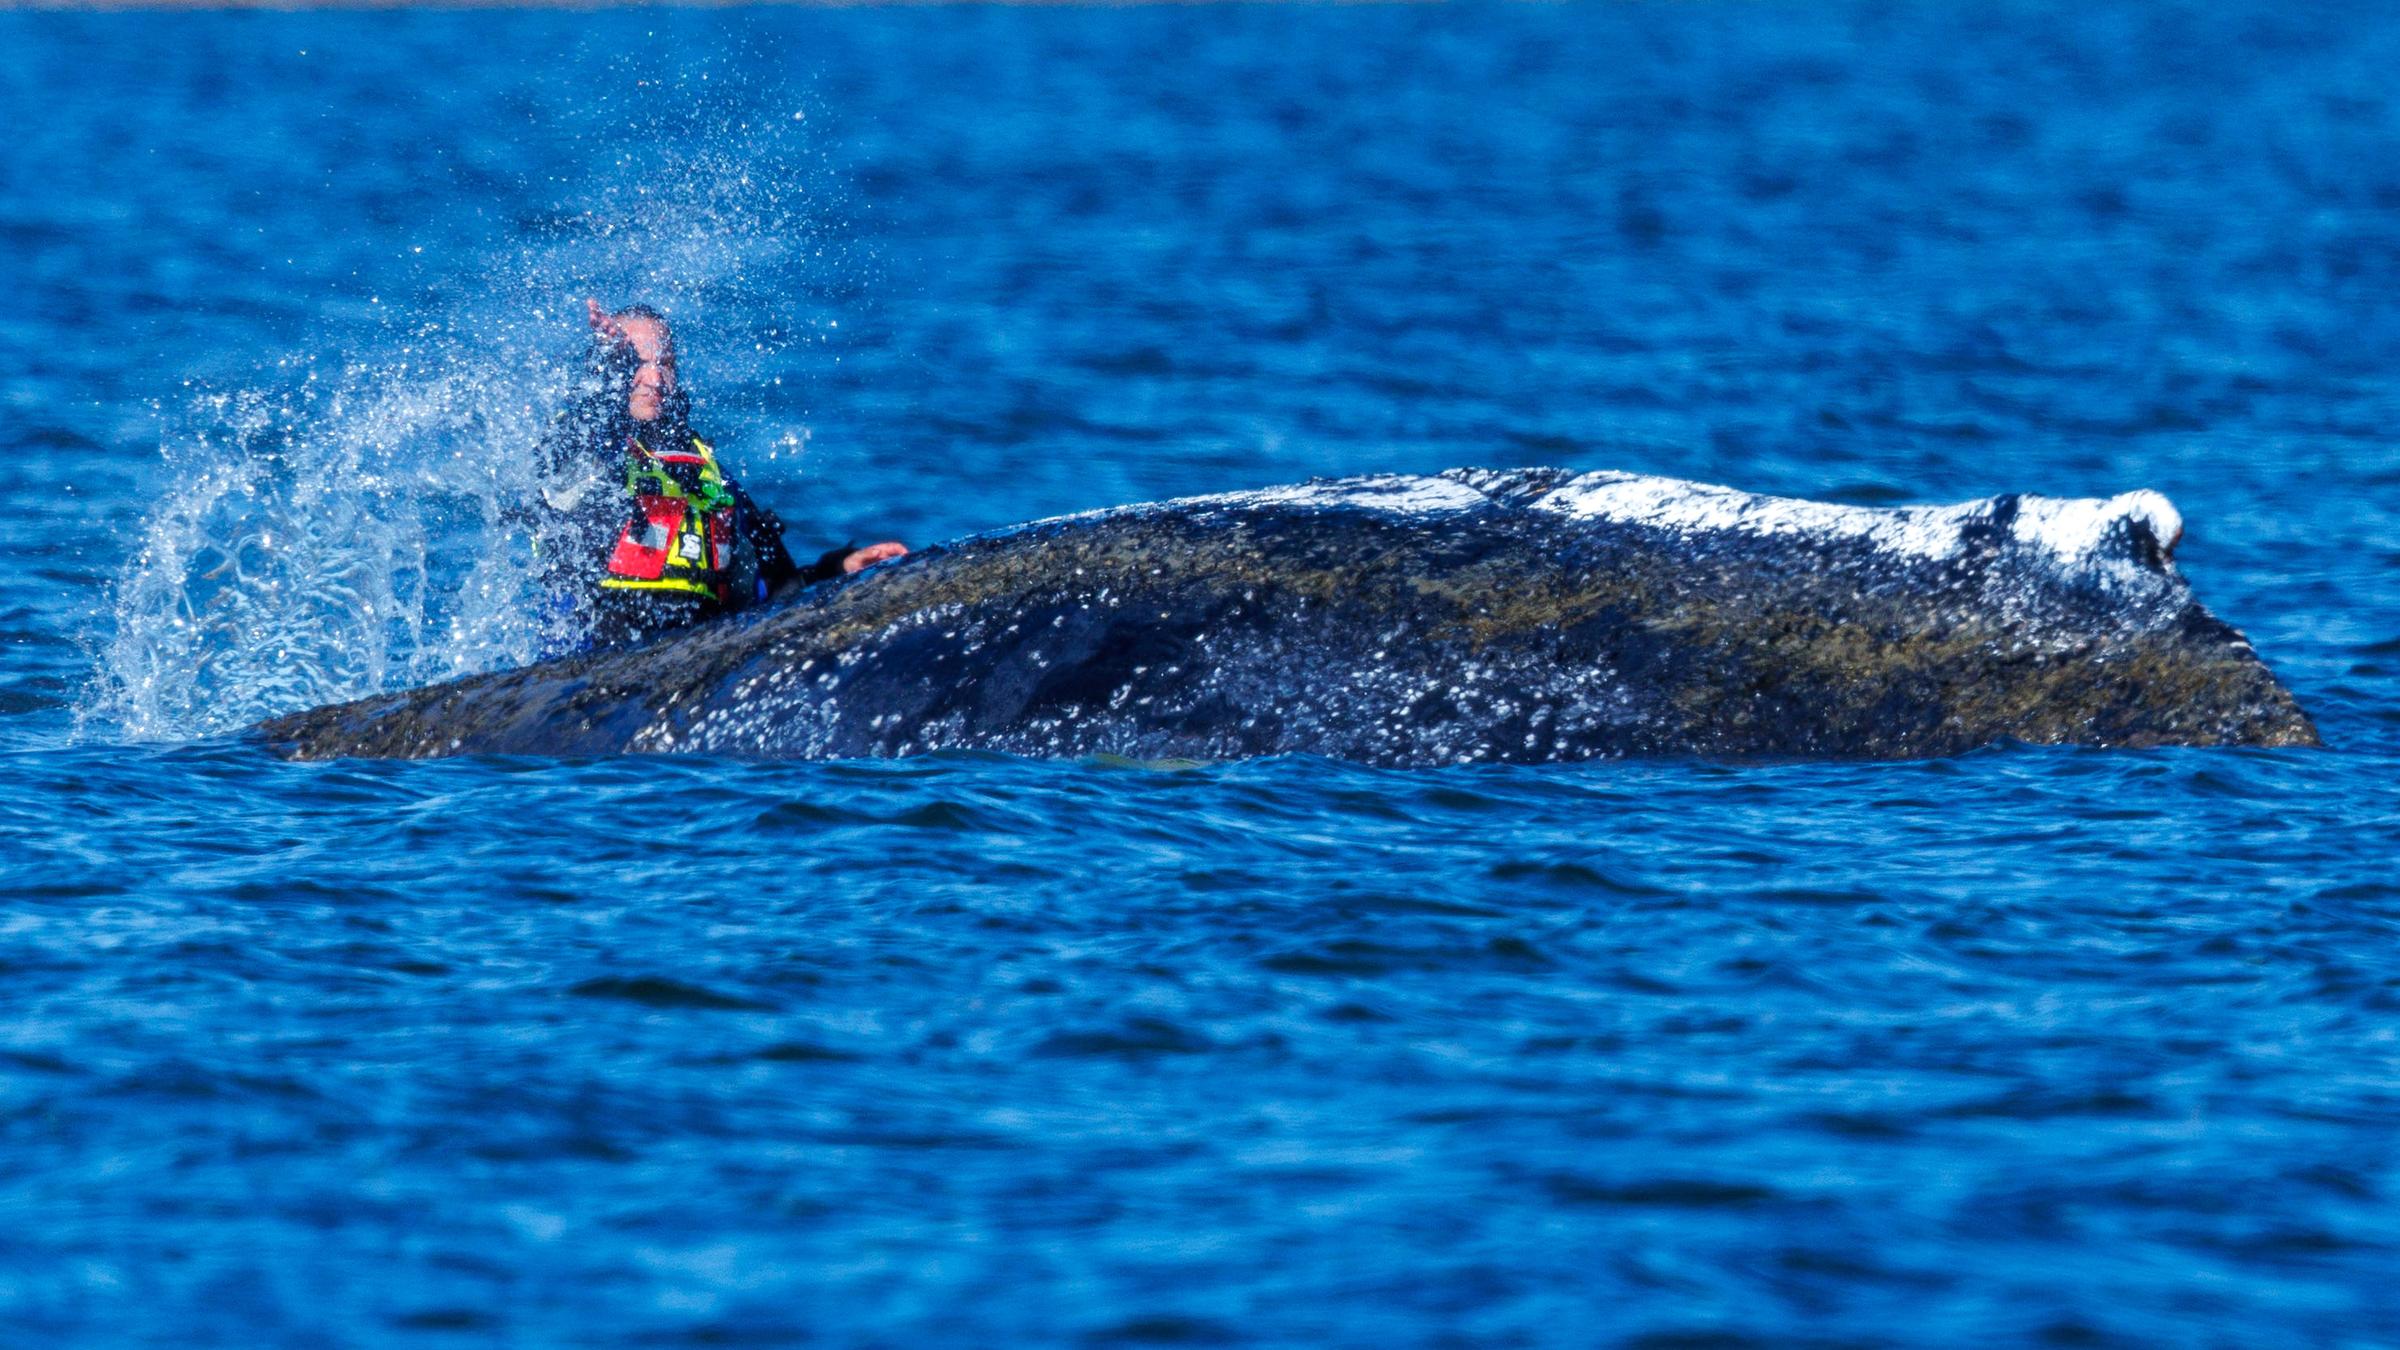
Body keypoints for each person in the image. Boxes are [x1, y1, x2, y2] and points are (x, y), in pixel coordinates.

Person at [534, 300, 906, 650]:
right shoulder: (585, 457)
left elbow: (775, 592)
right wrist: (606, 370)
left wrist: (839, 569)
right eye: (632, 361)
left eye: (666, 364)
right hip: (589, 676)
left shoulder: (710, 478)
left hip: (689, 670)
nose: (653, 378)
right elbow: (575, 443)